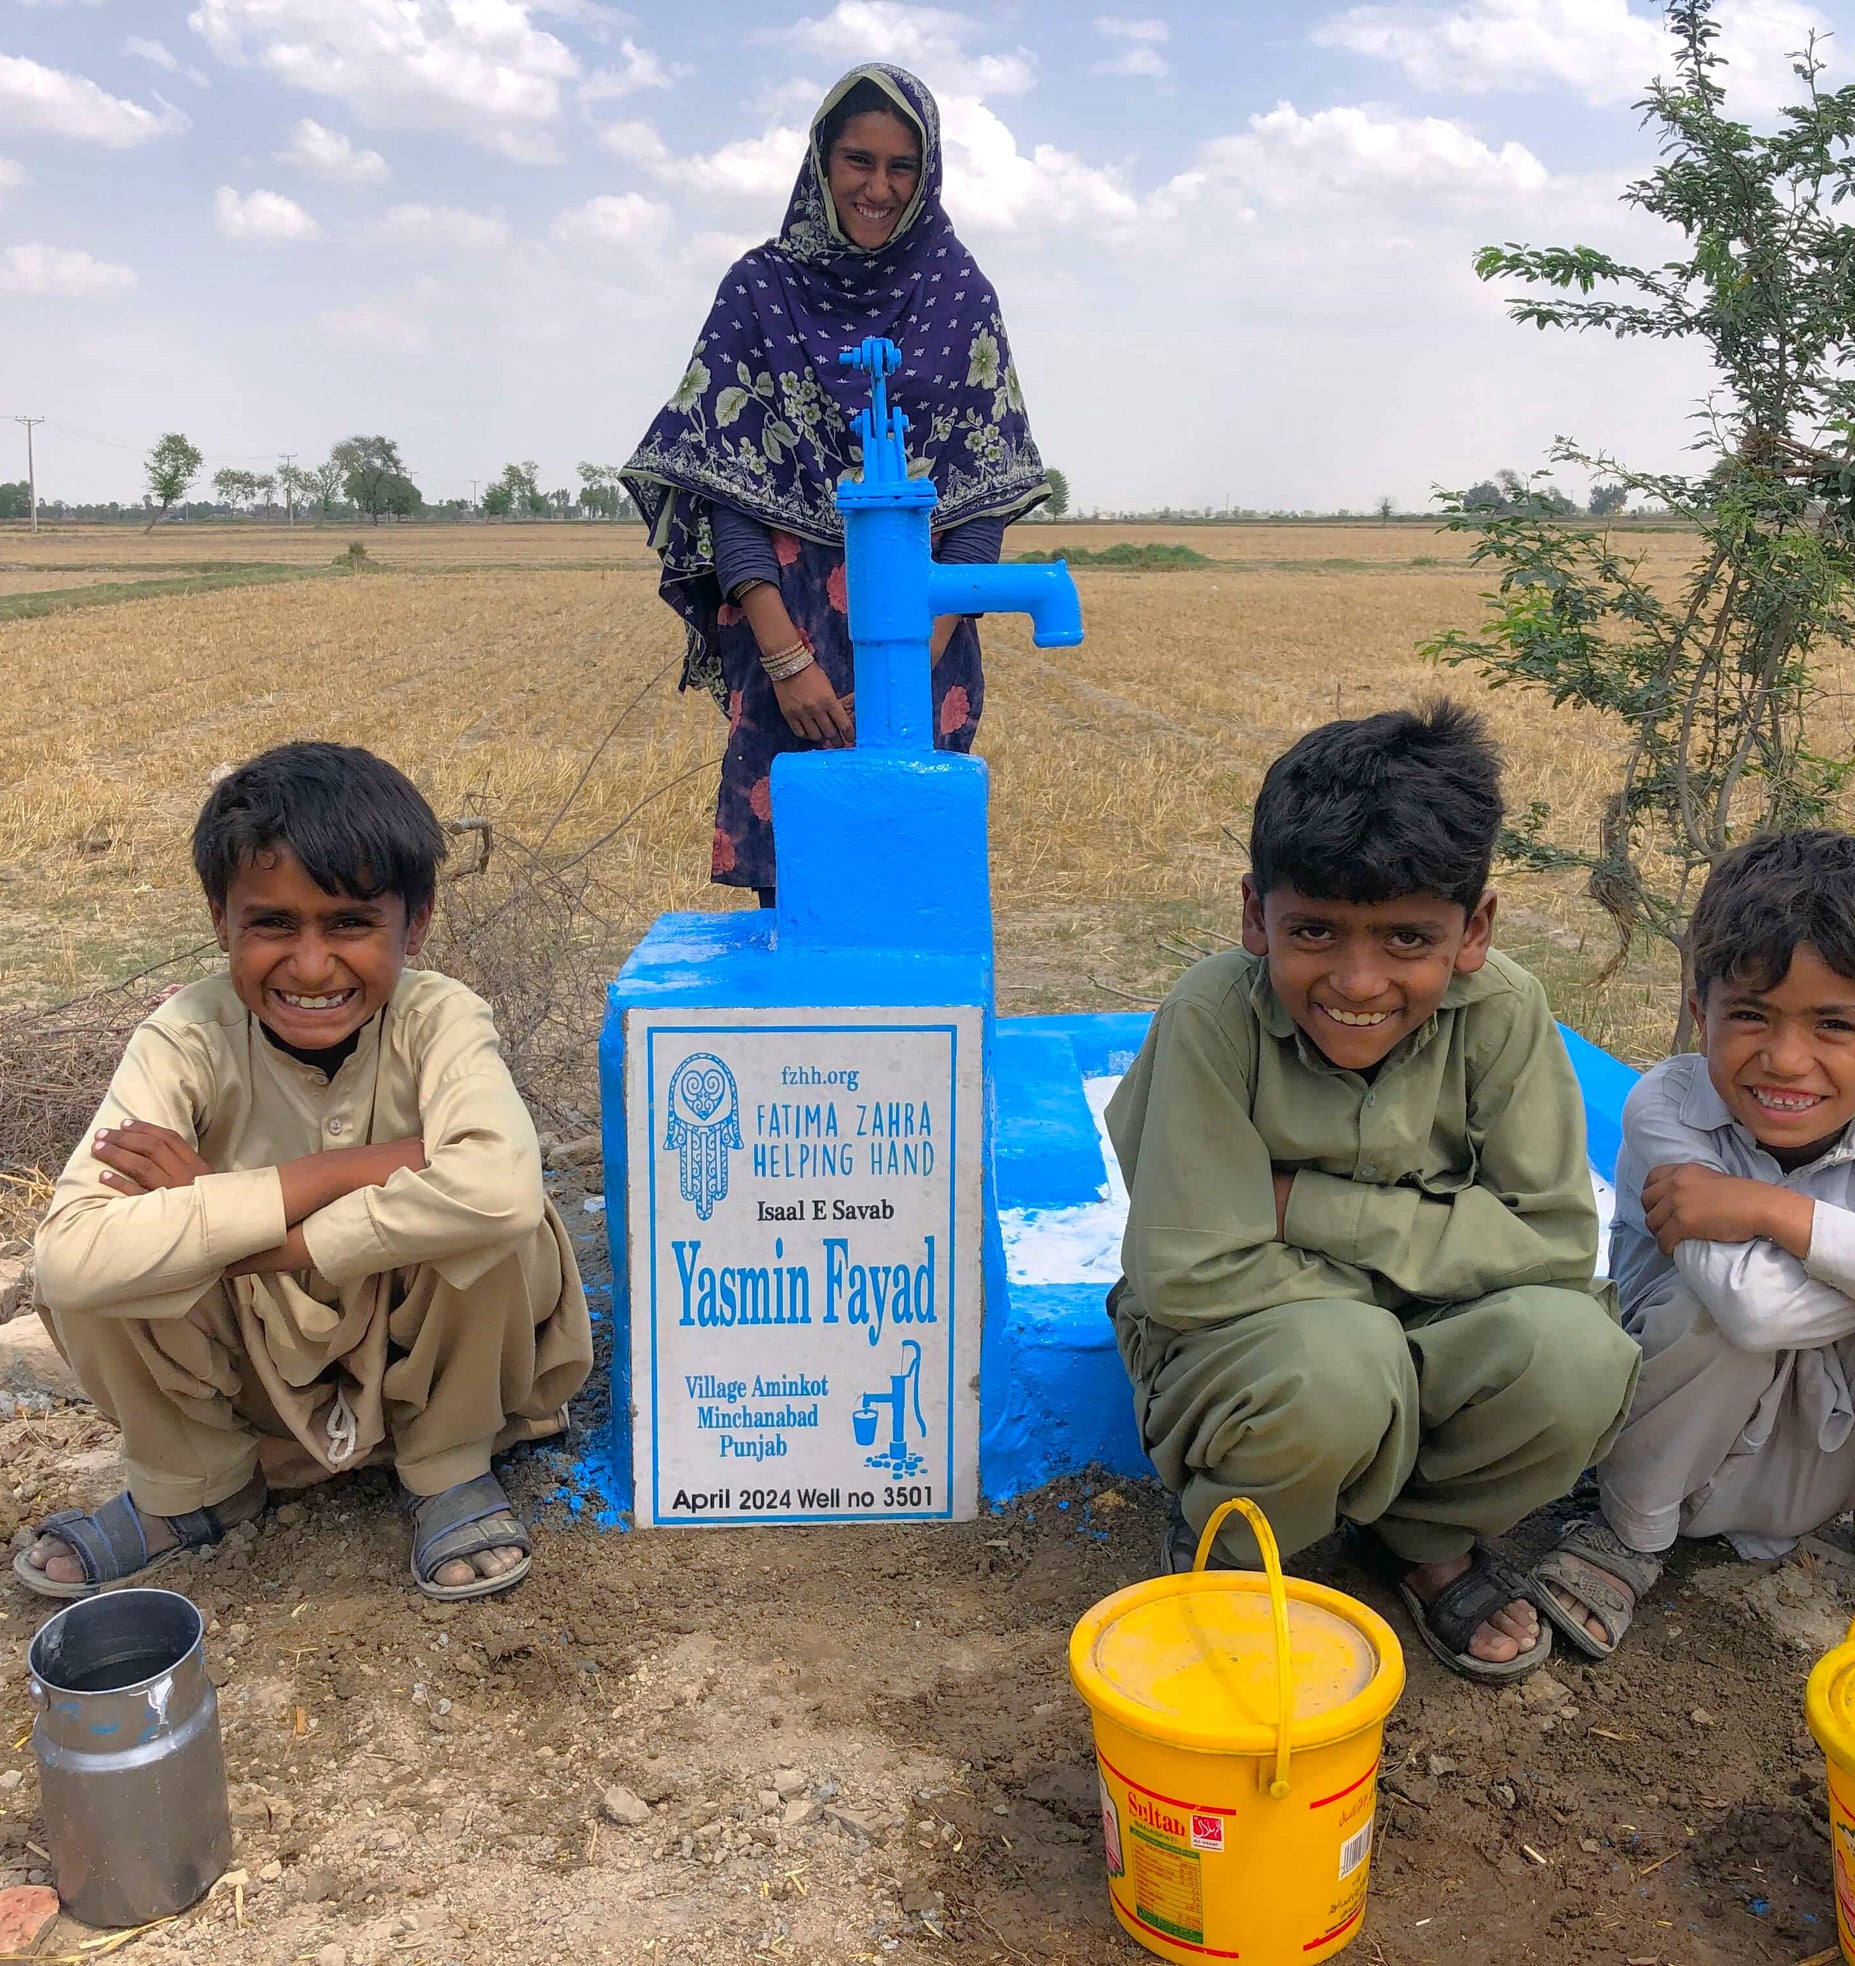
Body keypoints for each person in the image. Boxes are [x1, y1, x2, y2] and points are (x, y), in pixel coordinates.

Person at [1104, 703, 1641, 1682]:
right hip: (1248, 1359)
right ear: (1252, 914)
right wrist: (1429, 1273)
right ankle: (1231, 1545)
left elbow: (1554, 1241)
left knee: (1575, 1353)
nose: (1357, 980)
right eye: (1313, 930)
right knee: (1335, 1365)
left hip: (1404, 1335)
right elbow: (1189, 1277)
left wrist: (1295, 1205)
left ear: (1472, 930)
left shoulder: (1504, 1012)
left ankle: (1422, 1535)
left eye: (1405, 939)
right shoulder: (1210, 1017)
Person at [21, 743, 592, 1603]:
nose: (313, 965)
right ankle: (196, 1486)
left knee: (509, 1229)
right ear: (222, 922)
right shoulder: (185, 1039)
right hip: (258, 1360)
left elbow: (499, 1189)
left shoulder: (439, 1020)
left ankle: (448, 1463)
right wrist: (354, 1169)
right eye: (274, 924)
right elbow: (65, 1259)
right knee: (100, 1274)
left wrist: (232, 1221)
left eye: (351, 922)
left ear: (418, 921)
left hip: (414, 1332)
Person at [1530, 831, 1855, 1654]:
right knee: (1717, 1306)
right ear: (1703, 1015)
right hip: (1689, 1456)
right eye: (1750, 1016)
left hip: (1838, 1459)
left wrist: (1777, 1215)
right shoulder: (1669, 1107)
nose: (1786, 1058)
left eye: (1834, 1024)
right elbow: (1756, 1312)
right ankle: (1629, 1534)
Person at [621, 63, 1049, 906]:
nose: (879, 187)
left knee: (908, 883)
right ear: (821, 162)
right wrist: (788, 661)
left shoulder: (960, 295)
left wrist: (908, 663)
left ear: (928, 176)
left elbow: (981, 501)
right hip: (791, 636)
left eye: (902, 167)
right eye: (859, 160)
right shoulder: (759, 289)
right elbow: (728, 495)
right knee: (800, 884)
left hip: (921, 635)